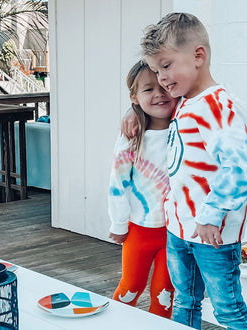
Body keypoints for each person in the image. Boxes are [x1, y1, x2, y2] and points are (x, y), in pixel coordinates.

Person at [121, 12, 247, 329]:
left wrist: (211, 214)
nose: (162, 78)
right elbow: (155, 107)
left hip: (213, 234)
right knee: (185, 302)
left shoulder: (217, 105)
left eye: (166, 66)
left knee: (227, 309)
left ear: (198, 55)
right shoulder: (184, 100)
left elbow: (239, 167)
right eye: (156, 70)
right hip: (180, 230)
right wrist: (132, 108)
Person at [108, 60, 176, 319]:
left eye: (163, 87)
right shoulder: (132, 136)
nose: (159, 94)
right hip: (139, 230)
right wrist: (118, 223)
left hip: (175, 233)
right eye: (149, 89)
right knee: (130, 289)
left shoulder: (185, 125)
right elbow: (118, 182)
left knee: (164, 294)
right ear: (134, 98)